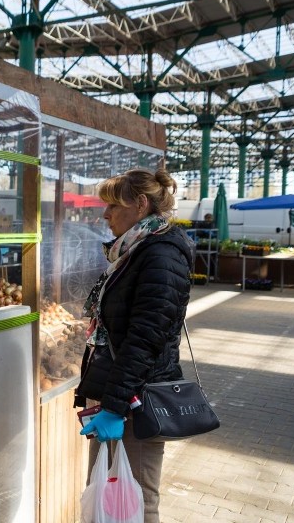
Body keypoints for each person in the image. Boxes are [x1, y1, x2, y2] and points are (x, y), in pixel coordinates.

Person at [75, 168, 193, 523]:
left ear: (140, 204)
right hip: (118, 394)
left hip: (136, 402)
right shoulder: (133, 251)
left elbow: (147, 338)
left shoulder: (161, 255)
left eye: (113, 205)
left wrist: (115, 406)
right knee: (109, 497)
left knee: (136, 501)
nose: (105, 214)